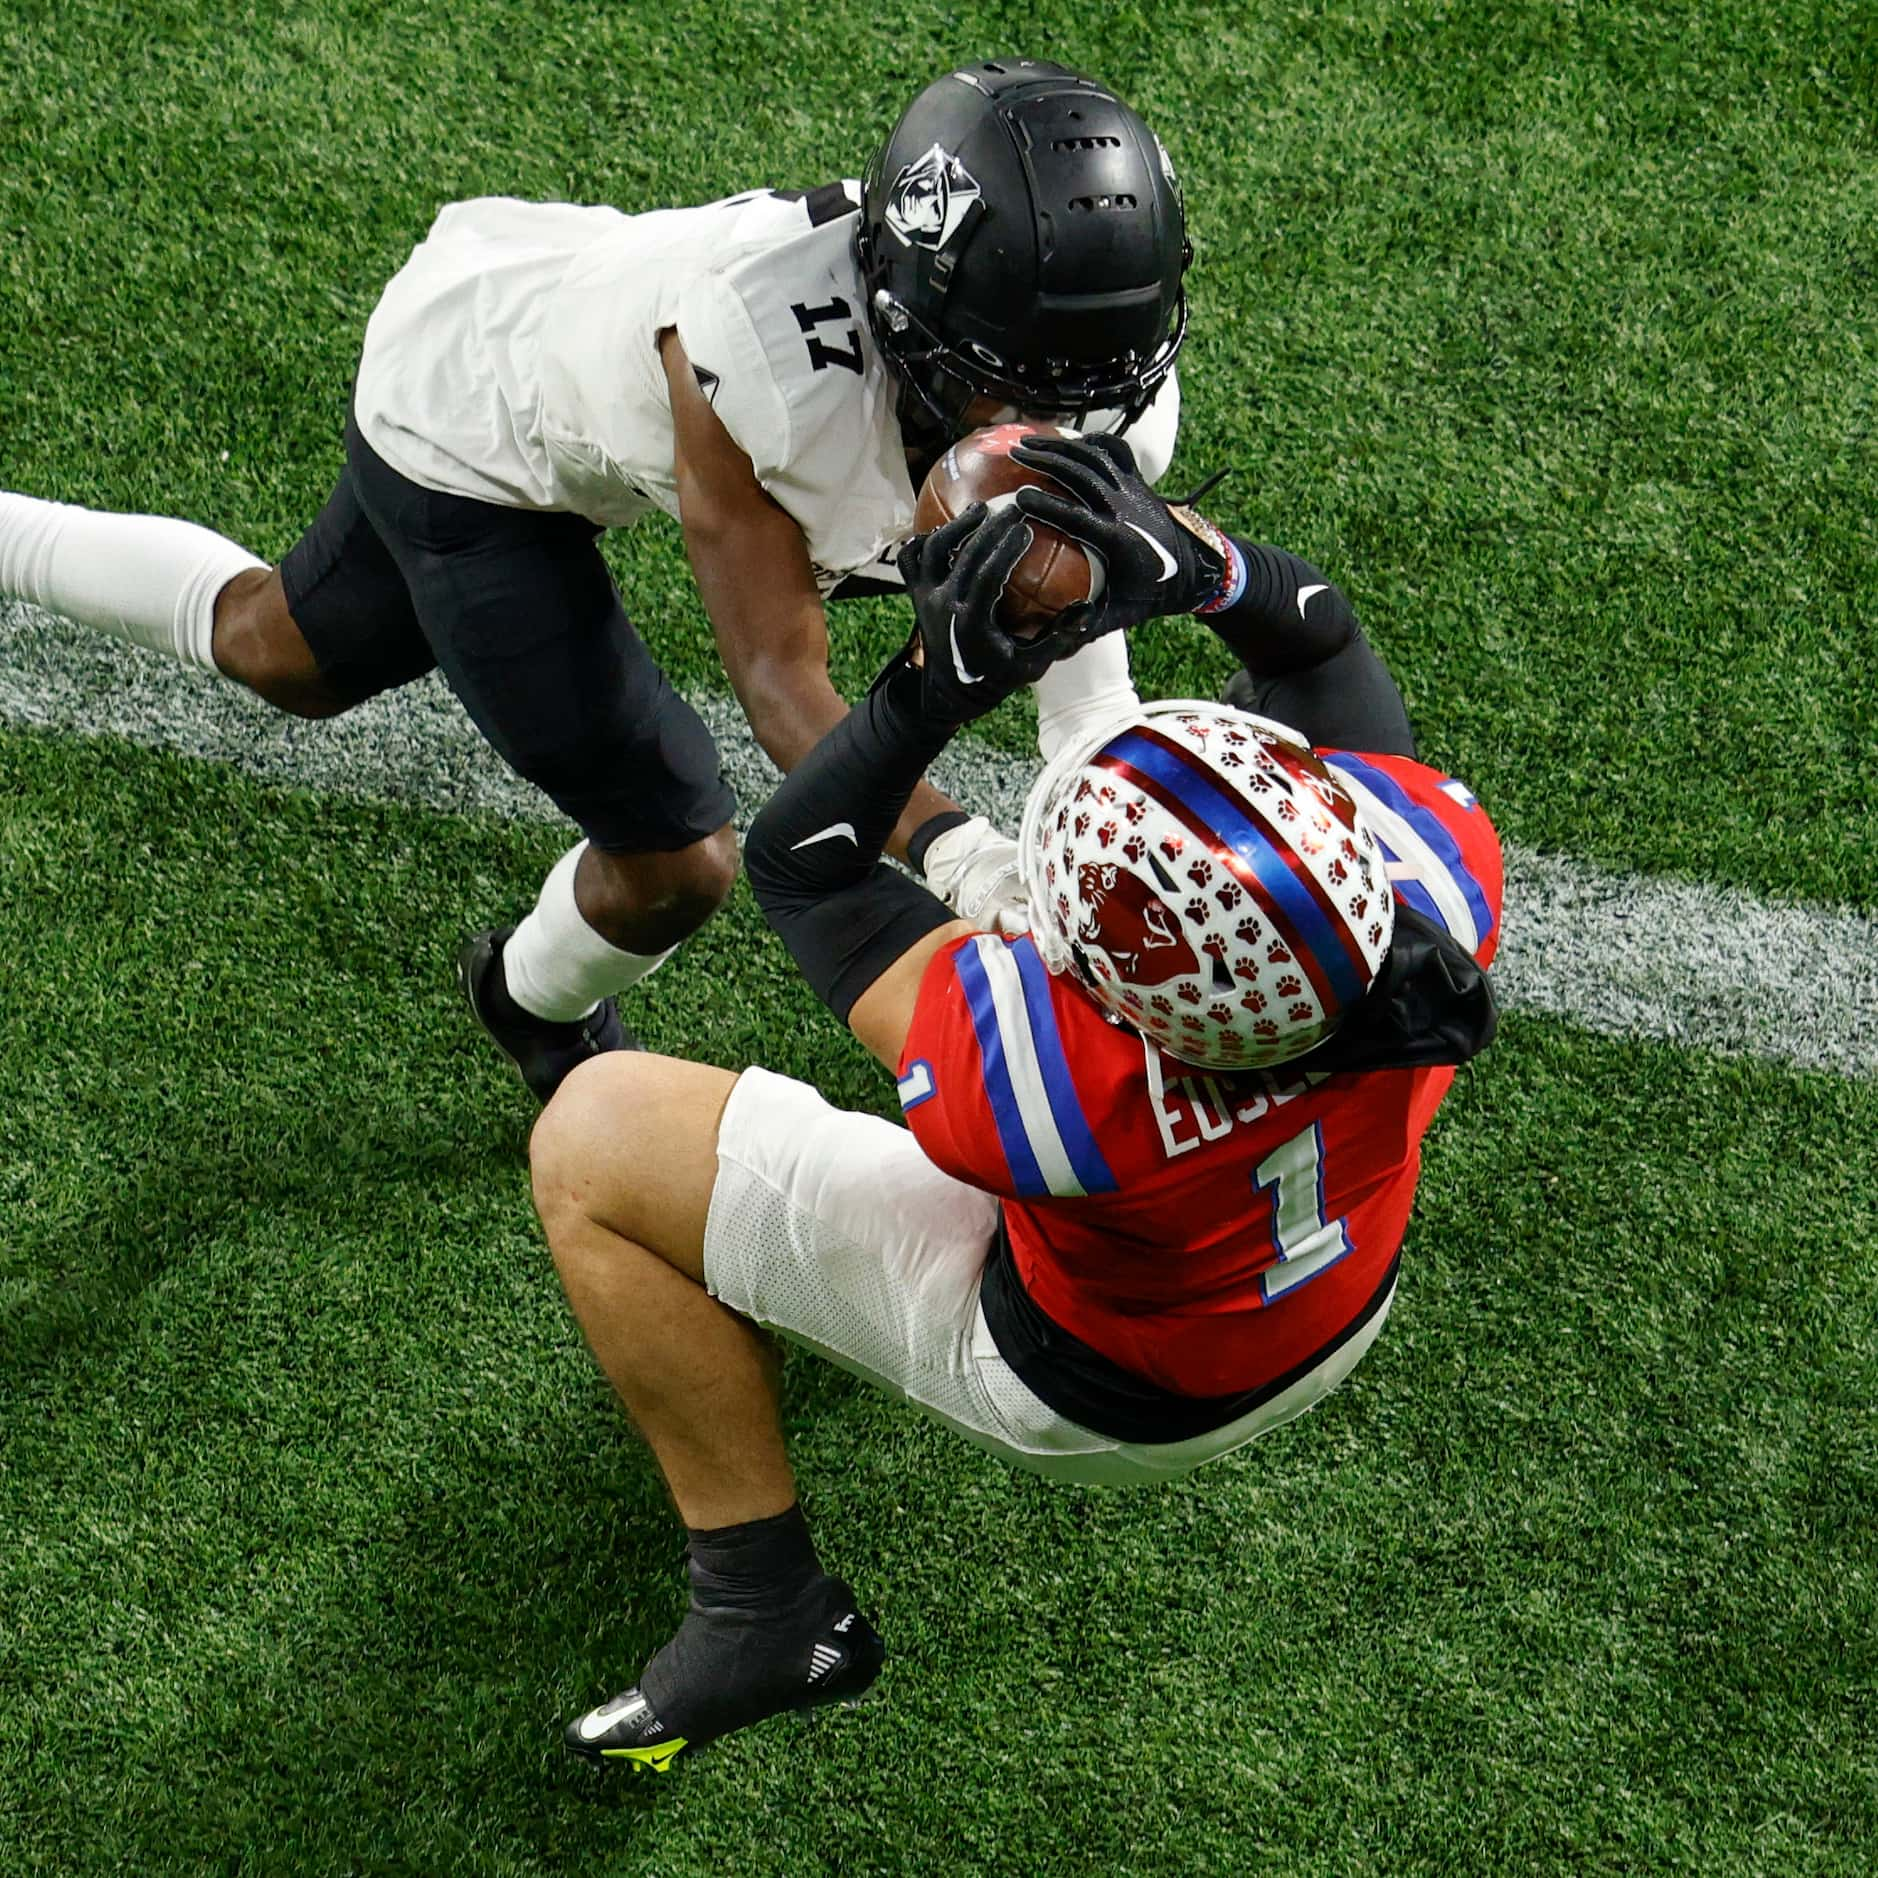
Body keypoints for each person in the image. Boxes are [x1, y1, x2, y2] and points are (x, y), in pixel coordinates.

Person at [527, 436, 1503, 1773]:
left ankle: (766, 1607)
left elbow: (801, 867)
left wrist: (933, 685)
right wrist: (1201, 566)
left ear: (1092, 989)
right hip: (1336, 1292)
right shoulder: (1429, 898)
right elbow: (1319, 650)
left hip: (1096, 1394)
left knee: (590, 1134)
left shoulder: (1056, 1088)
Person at [0, 60, 1186, 1099]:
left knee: (282, 648)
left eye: (1082, 389)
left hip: (563, 302)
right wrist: (962, 856)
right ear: (907, 319)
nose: (1055, 425)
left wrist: (1104, 766)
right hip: (471, 431)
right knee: (677, 857)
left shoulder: (1078, 379)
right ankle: (529, 1002)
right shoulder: (758, 353)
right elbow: (782, 686)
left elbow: (1077, 640)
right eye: (1011, 390)